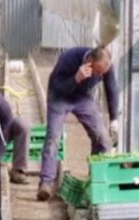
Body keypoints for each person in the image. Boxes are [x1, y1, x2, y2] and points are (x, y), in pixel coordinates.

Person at [38, 46, 120, 201]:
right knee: (53, 138)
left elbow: (111, 89)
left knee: (102, 138)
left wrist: (114, 118)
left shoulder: (105, 67)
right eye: (97, 72)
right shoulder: (69, 58)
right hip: (59, 97)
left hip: (82, 97)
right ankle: (46, 182)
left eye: (103, 73)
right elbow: (57, 87)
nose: (100, 75)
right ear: (89, 61)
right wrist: (76, 79)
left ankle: (95, 180)